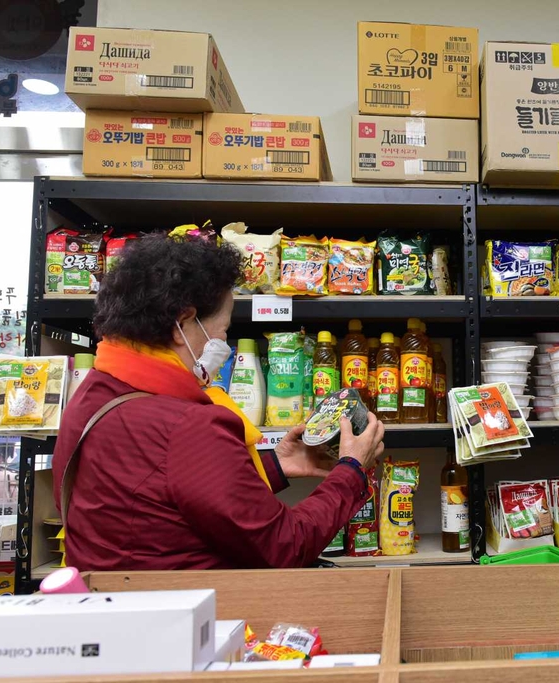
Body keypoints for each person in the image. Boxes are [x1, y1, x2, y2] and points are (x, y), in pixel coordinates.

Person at [52, 234, 385, 570]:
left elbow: (167, 498)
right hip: (188, 612)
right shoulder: (189, 426)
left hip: (116, 605)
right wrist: (351, 470)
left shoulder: (92, 394)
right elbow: (285, 545)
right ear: (182, 323)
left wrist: (275, 467)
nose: (223, 343)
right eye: (224, 329)